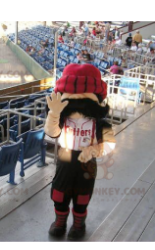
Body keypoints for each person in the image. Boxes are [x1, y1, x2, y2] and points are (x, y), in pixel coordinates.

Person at [45, 64, 114, 240]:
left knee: (82, 196)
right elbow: (52, 132)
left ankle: (78, 224)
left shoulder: (100, 123)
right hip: (64, 161)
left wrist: (94, 150)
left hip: (87, 164)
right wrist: (53, 114)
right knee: (59, 193)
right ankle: (59, 222)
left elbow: (109, 144)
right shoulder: (62, 118)